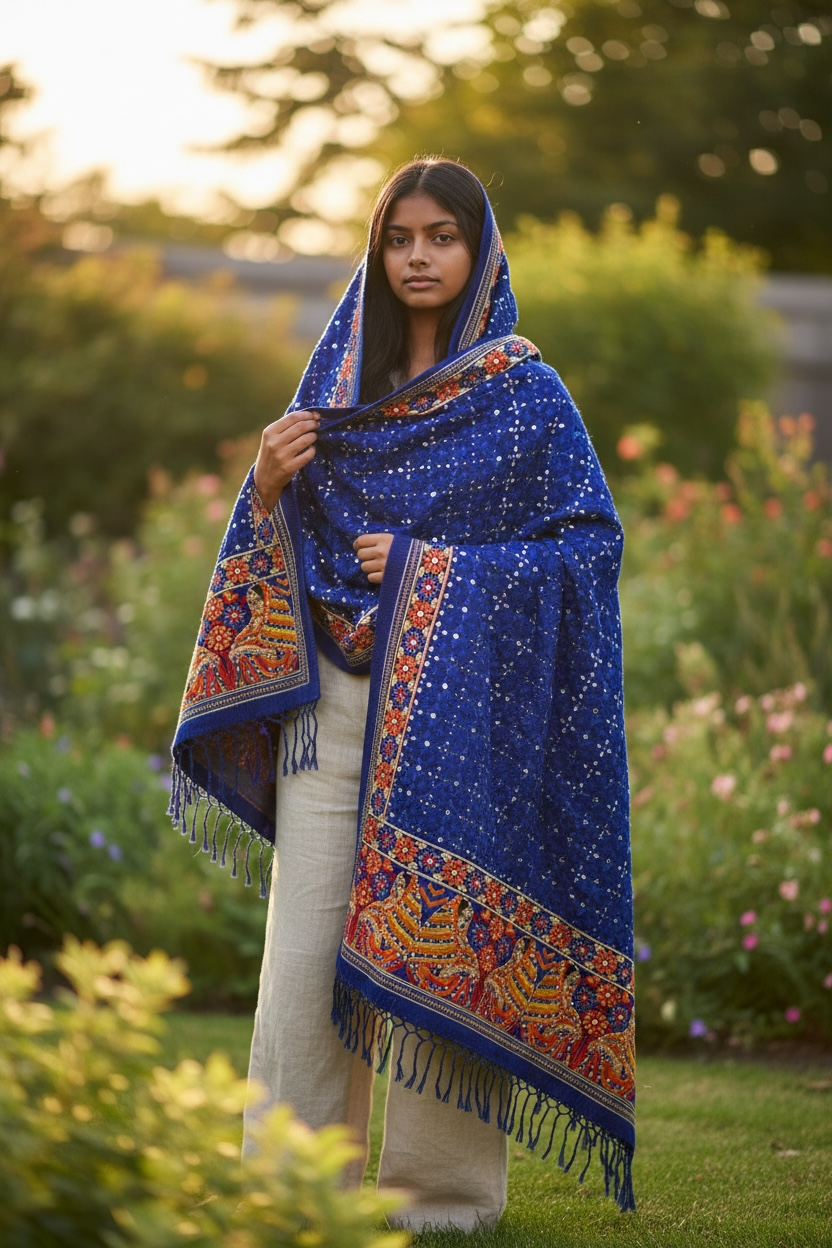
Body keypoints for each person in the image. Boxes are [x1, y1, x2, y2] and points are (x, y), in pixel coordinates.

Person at [169, 158, 636, 1231]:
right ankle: (293, 1184)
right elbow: (281, 548)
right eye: (399, 239)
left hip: (459, 716)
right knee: (300, 963)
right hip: (332, 708)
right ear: (376, 254)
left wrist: (433, 571)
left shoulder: (526, 393)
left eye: (442, 237)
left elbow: (587, 551)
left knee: (441, 937)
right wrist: (271, 483)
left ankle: (440, 1199)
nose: (419, 257)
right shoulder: (340, 393)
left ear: (480, 253)